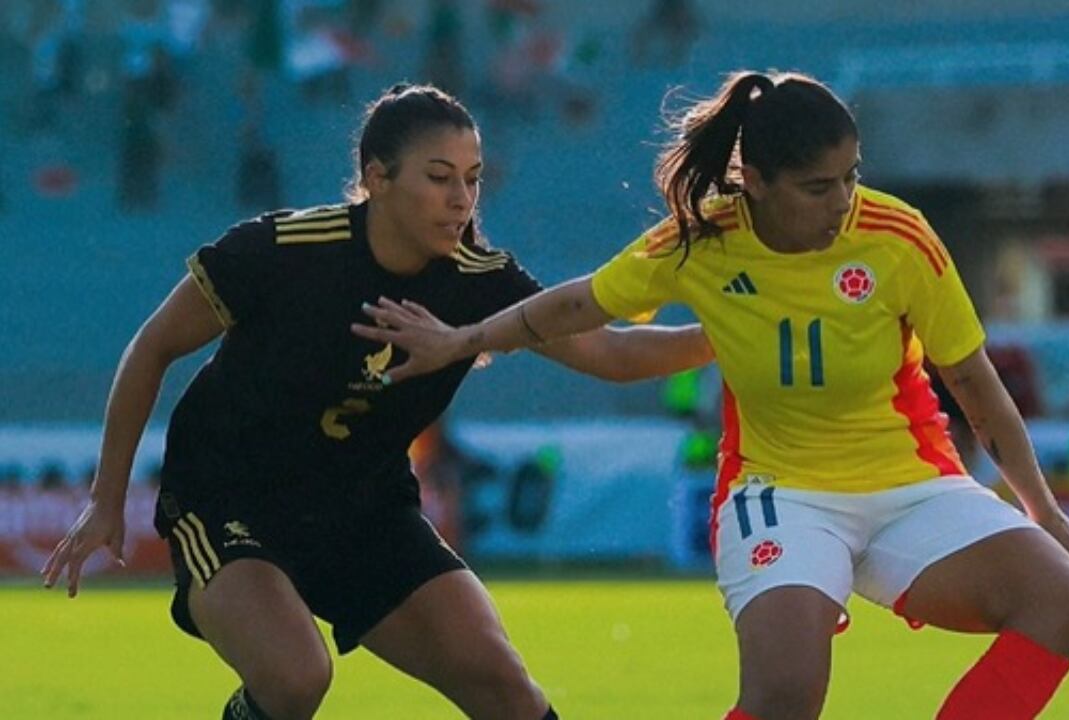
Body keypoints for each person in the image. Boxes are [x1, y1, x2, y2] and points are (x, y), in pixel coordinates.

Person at [356, 71, 1069, 720]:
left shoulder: (898, 236)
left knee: (1063, 600)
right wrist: (463, 340)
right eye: (819, 187)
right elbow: (582, 305)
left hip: (912, 486)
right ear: (759, 183)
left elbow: (973, 381)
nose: (843, 202)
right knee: (786, 695)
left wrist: (1040, 505)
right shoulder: (701, 240)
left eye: (851, 176)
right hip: (779, 494)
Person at [41, 83, 712, 720]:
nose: (461, 199)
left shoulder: (479, 281)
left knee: (503, 685)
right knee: (296, 676)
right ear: (377, 177)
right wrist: (106, 499)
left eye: (473, 179)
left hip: (364, 512)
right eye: (440, 177)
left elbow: (611, 355)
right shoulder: (281, 250)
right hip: (228, 498)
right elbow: (151, 347)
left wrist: (730, 337)